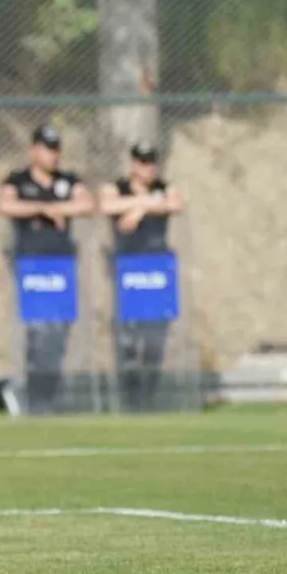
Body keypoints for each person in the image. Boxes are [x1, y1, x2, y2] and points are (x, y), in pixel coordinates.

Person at [0, 124, 96, 415]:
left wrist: (57, 209)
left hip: (62, 266)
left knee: (59, 332)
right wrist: (44, 208)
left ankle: (48, 396)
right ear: (34, 150)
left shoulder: (67, 180)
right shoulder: (18, 180)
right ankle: (32, 393)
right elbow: (6, 205)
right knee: (37, 331)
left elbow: (87, 204)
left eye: (56, 149)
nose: (53, 155)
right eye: (47, 149)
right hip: (31, 266)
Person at [98, 142, 186, 411]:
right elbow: (107, 205)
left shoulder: (164, 187)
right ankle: (130, 395)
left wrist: (138, 210)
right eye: (143, 163)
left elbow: (176, 202)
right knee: (128, 336)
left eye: (151, 162)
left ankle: (149, 395)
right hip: (128, 269)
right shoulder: (118, 187)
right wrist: (149, 203)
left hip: (157, 268)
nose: (148, 168)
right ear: (133, 164)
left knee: (156, 336)